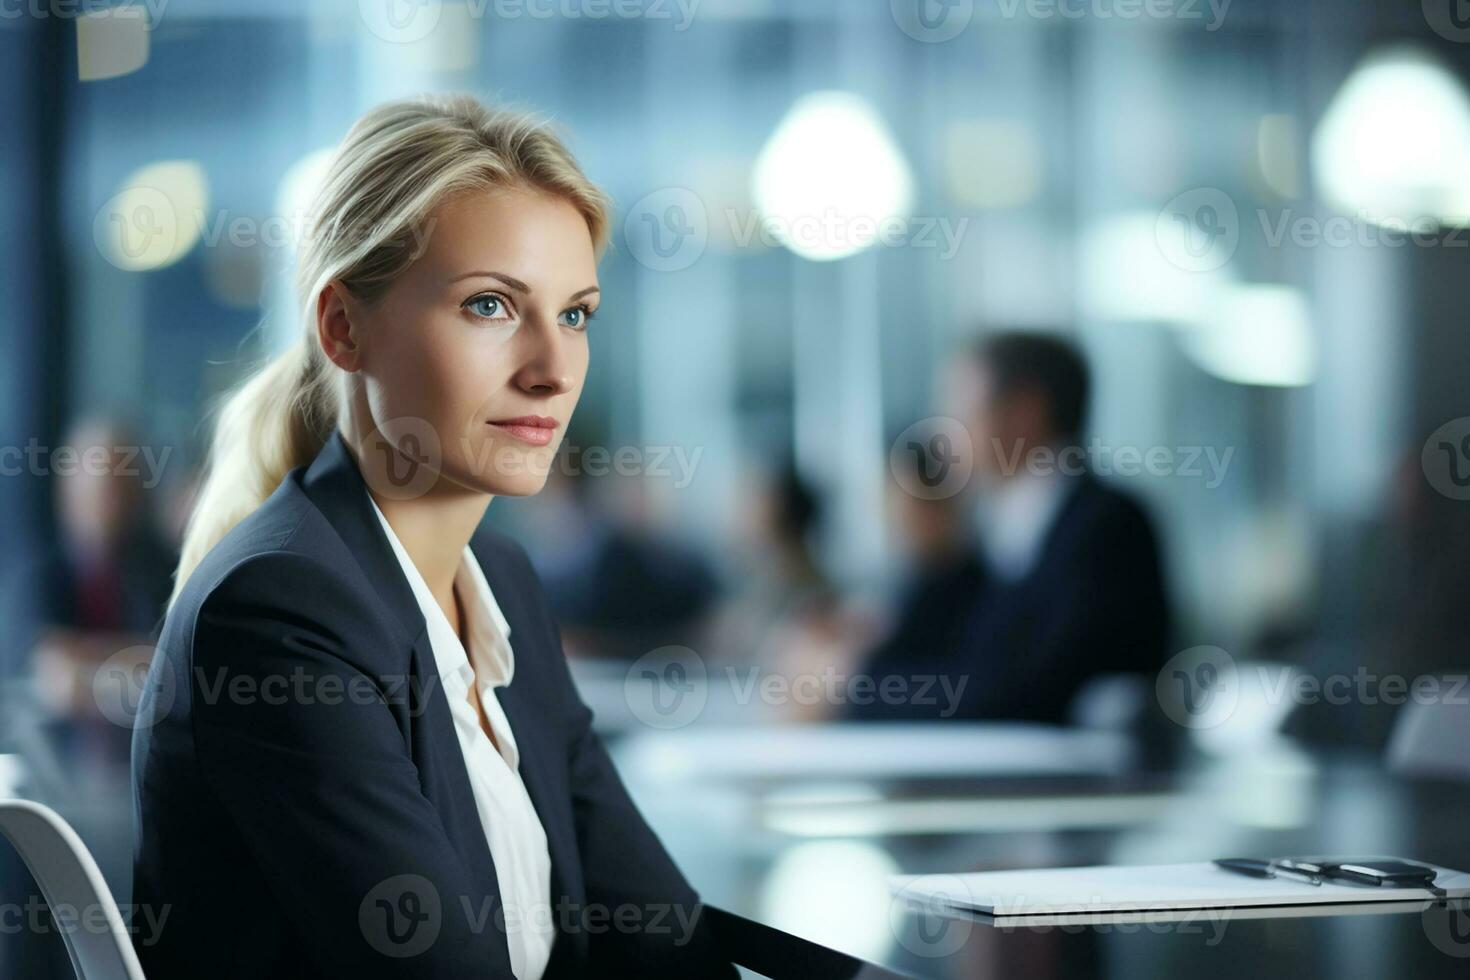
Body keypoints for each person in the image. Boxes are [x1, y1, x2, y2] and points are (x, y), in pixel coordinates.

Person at [130, 95, 735, 979]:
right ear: (344, 327)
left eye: (575, 314)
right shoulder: (279, 612)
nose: (553, 370)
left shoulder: (501, 582)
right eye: (491, 306)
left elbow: (666, 941)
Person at [853, 331, 1171, 723]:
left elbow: (1019, 689)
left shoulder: (1105, 525)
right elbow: (954, 656)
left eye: (958, 409)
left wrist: (853, 691)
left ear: (1024, 412)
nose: (942, 434)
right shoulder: (1005, 524)